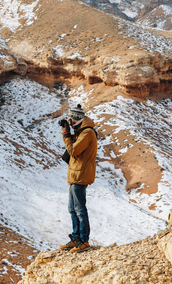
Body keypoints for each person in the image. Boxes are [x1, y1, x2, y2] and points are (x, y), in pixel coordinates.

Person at [59, 104, 97, 252]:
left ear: (75, 120)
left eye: (70, 120)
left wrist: (65, 134)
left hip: (80, 175)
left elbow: (73, 150)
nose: (68, 123)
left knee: (80, 209)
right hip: (76, 174)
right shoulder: (82, 131)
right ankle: (75, 238)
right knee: (72, 209)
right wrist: (69, 131)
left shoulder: (87, 133)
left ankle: (84, 240)